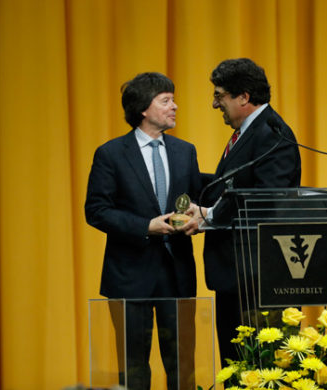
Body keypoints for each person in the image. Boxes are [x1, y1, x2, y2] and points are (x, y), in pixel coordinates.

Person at [85, 72, 202, 390]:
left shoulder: (185, 151)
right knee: (134, 370)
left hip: (176, 275)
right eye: (166, 101)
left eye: (173, 99)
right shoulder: (110, 154)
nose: (175, 106)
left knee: (183, 368)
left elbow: (195, 202)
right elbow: (96, 211)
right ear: (142, 109)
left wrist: (197, 218)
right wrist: (144, 226)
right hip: (129, 276)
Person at [183, 58, 301, 366]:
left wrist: (208, 216)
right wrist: (184, 180)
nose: (214, 104)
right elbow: (235, 188)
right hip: (236, 277)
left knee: (259, 373)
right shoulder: (250, 133)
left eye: (219, 95)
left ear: (243, 97)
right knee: (235, 371)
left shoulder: (272, 134)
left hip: (259, 280)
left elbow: (267, 205)